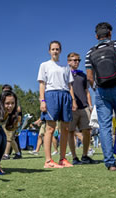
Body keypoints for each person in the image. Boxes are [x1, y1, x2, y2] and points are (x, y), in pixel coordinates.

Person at [85, 22, 116, 171]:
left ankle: (110, 163)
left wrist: (97, 89)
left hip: (102, 91)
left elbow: (90, 77)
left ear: (96, 36)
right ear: (110, 33)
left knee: (105, 127)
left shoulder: (90, 53)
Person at [37, 40, 77, 168]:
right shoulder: (44, 65)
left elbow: (70, 85)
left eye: (57, 49)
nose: (55, 51)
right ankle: (48, 161)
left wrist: (73, 100)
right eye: (53, 49)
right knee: (50, 128)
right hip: (51, 95)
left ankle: (62, 159)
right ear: (49, 51)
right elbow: (42, 84)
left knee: (65, 128)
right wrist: (42, 101)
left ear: (60, 50)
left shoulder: (66, 67)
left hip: (65, 95)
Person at [67, 52, 97, 165]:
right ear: (68, 61)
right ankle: (74, 157)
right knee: (70, 131)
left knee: (87, 131)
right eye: (74, 60)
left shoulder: (83, 75)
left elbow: (87, 91)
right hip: (71, 108)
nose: (77, 62)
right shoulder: (65, 74)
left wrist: (90, 105)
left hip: (84, 107)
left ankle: (85, 155)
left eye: (78, 60)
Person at [1, 84, 22, 160]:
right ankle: (18, 153)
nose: (5, 92)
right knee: (11, 139)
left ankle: (6, 155)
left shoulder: (14, 98)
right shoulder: (2, 99)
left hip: (12, 118)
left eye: (7, 90)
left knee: (9, 138)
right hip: (4, 119)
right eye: (4, 90)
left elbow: (19, 109)